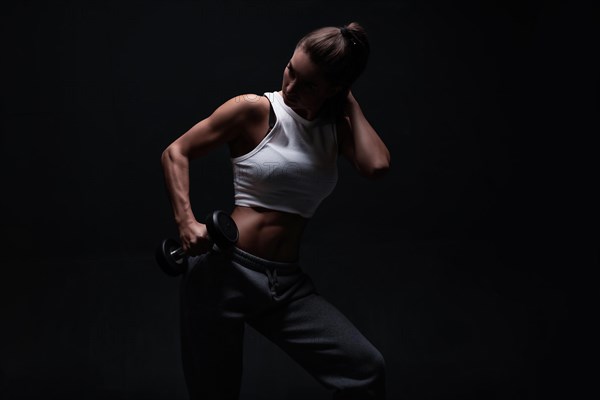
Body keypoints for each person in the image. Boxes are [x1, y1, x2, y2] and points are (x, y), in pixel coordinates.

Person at [160, 22, 390, 400]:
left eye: (309, 84)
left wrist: (350, 103)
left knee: (364, 369)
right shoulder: (254, 110)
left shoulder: (337, 130)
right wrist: (186, 221)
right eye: (290, 70)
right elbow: (175, 152)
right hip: (223, 272)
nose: (291, 88)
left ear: (335, 89)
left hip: (284, 285)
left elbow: (377, 165)